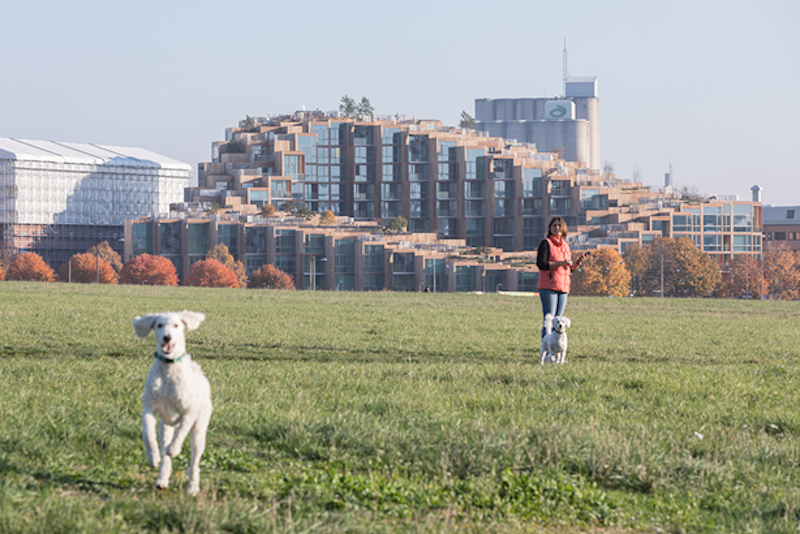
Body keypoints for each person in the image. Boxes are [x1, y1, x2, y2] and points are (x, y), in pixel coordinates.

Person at [536, 217, 590, 338]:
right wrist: (561, 263)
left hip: (564, 287)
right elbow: (541, 264)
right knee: (549, 321)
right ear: (550, 228)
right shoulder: (546, 243)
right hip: (549, 286)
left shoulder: (566, 246)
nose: (557, 228)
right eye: (554, 225)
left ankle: (556, 353)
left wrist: (578, 263)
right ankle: (547, 350)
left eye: (559, 226)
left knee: (559, 321)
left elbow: (568, 268)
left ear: (564, 229)